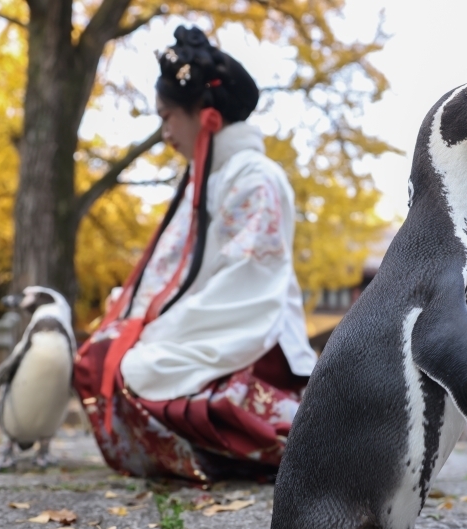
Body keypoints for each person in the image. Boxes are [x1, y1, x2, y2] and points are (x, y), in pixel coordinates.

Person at [73, 25, 316, 483]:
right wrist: (137, 320)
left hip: (254, 341)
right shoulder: (204, 179)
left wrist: (156, 330)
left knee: (135, 364)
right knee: (109, 354)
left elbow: (247, 283)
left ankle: (260, 447)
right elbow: (174, 272)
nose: (165, 133)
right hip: (212, 325)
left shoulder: (255, 177)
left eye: (168, 117)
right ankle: (214, 454)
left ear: (204, 115)